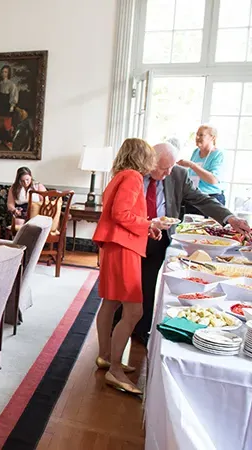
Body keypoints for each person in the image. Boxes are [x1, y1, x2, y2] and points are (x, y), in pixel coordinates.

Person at [116, 142, 252, 344]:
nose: (168, 172)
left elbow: (202, 199)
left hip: (159, 238)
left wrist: (230, 218)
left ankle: (140, 332)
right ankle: (115, 330)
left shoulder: (178, 174)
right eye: (163, 168)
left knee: (148, 284)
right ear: (150, 162)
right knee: (124, 286)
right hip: (130, 237)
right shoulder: (132, 174)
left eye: (171, 167)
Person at [92, 138, 165, 396]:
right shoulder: (133, 176)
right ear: (141, 157)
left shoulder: (119, 176)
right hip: (124, 249)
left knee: (110, 303)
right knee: (134, 311)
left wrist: (148, 227)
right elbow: (121, 214)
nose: (153, 162)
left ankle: (105, 356)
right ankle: (115, 370)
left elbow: (119, 213)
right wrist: (149, 224)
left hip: (115, 246)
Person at [179, 124, 226, 211]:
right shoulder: (196, 152)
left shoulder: (218, 154)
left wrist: (192, 165)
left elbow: (213, 180)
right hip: (194, 196)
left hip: (211, 197)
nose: (197, 137)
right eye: (197, 134)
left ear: (212, 137)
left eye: (201, 135)